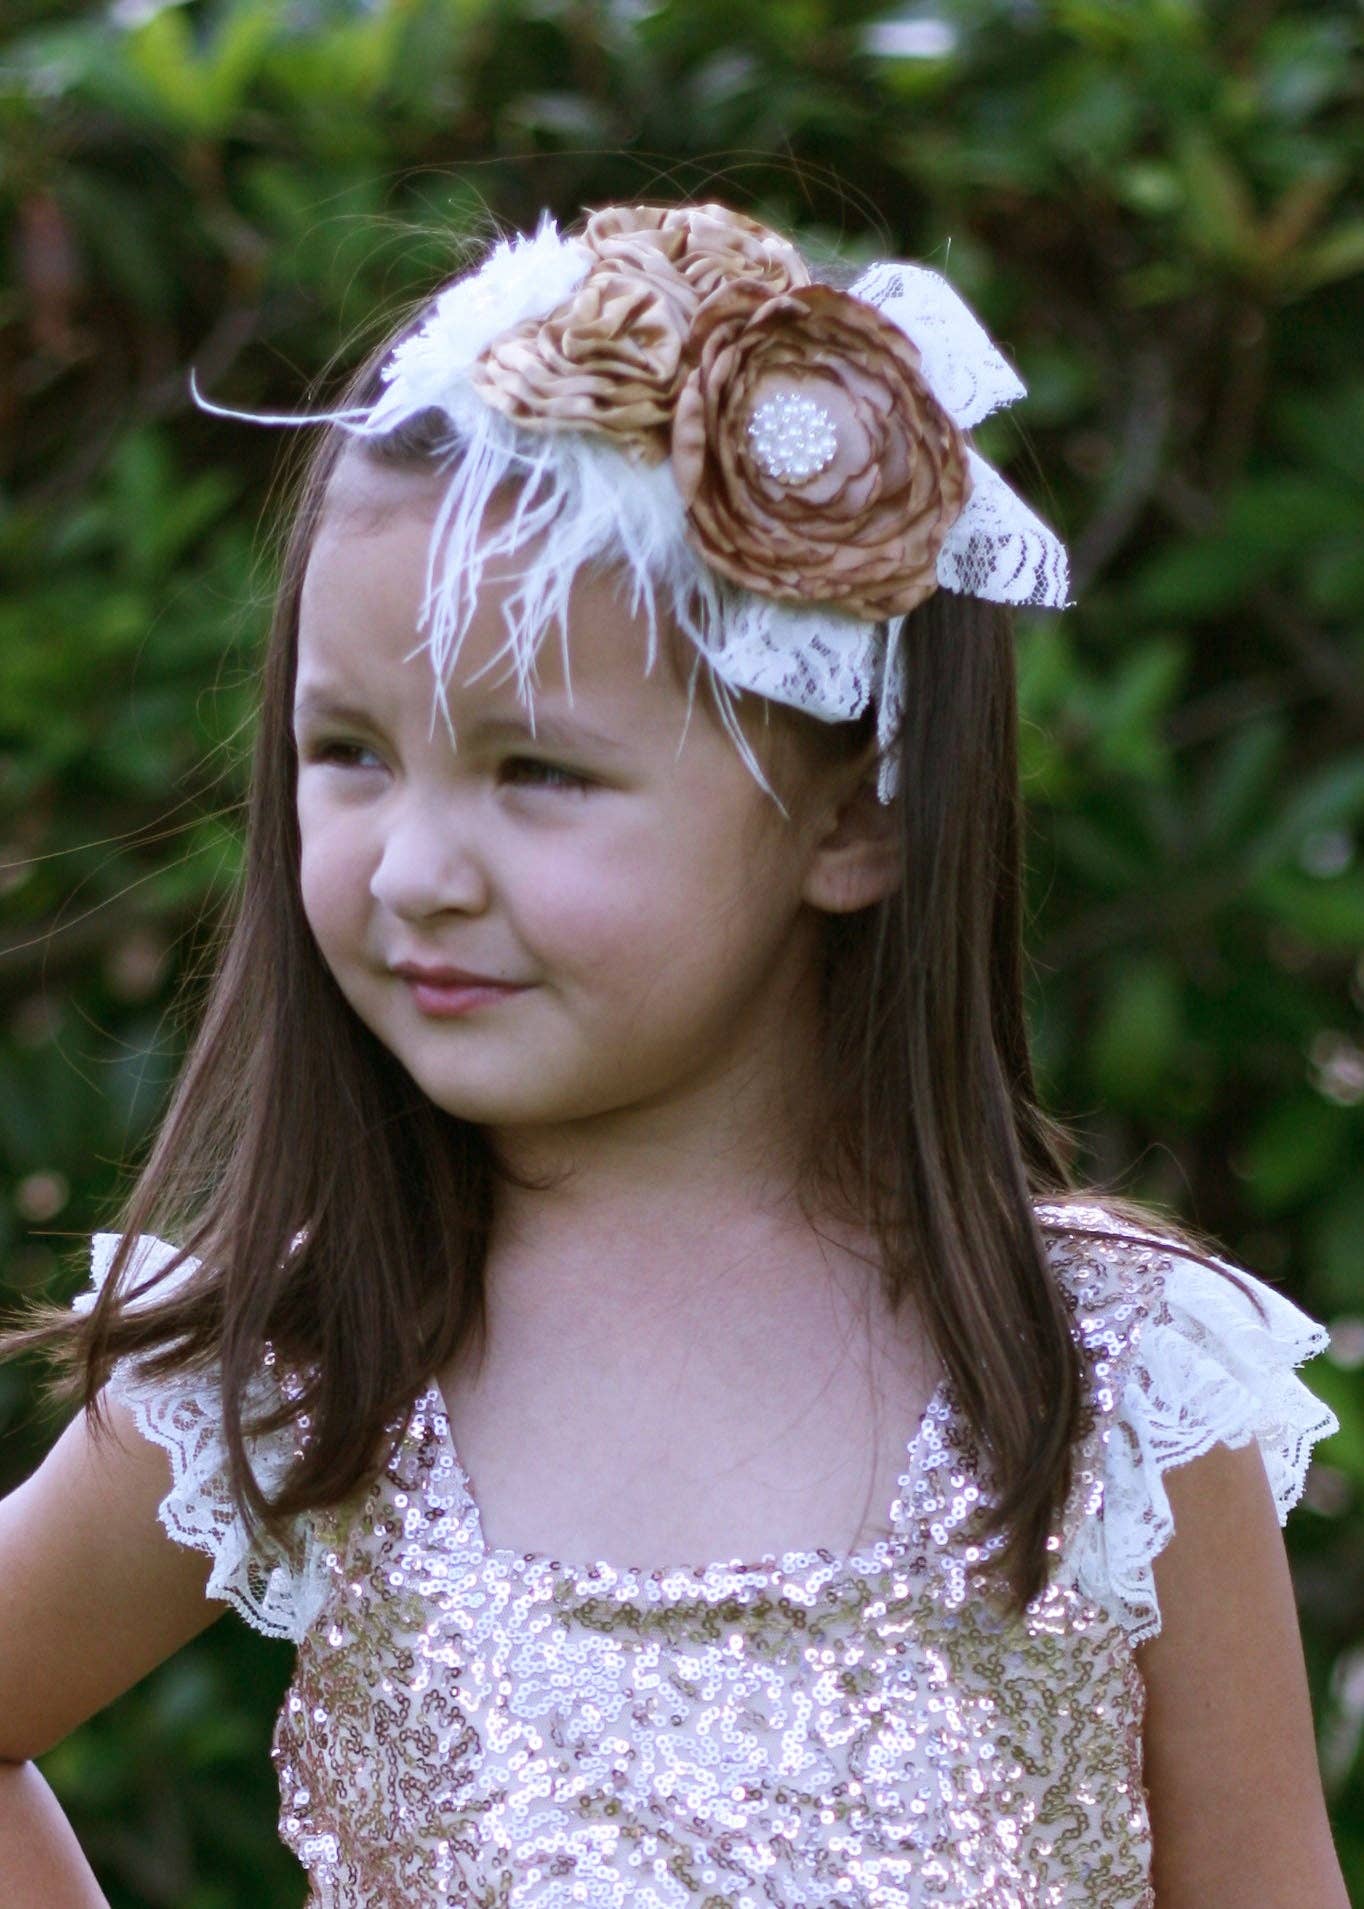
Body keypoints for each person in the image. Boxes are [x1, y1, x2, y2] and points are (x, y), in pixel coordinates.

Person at [0, 200, 1349, 1908]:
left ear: (856, 808)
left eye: (536, 770)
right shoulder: (315, 1360)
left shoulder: (1104, 1378)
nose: (416, 866)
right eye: (349, 750)